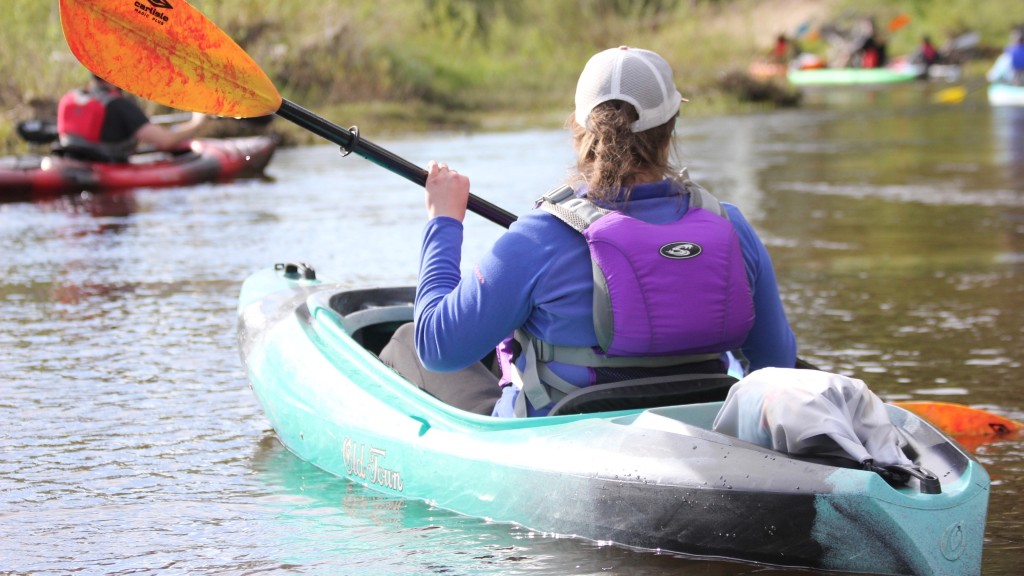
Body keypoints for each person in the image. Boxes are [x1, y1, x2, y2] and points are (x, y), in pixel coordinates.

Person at [380, 46, 797, 418]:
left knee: (407, 340)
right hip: (702, 427)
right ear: (670, 130)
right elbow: (777, 362)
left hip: (558, 446)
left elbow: (437, 348)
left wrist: (444, 222)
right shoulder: (730, 225)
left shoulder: (540, 236)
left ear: (580, 130)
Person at [57, 73, 206, 162]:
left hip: (69, 160)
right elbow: (165, 140)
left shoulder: (72, 97)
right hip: (104, 168)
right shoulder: (119, 105)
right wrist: (197, 122)